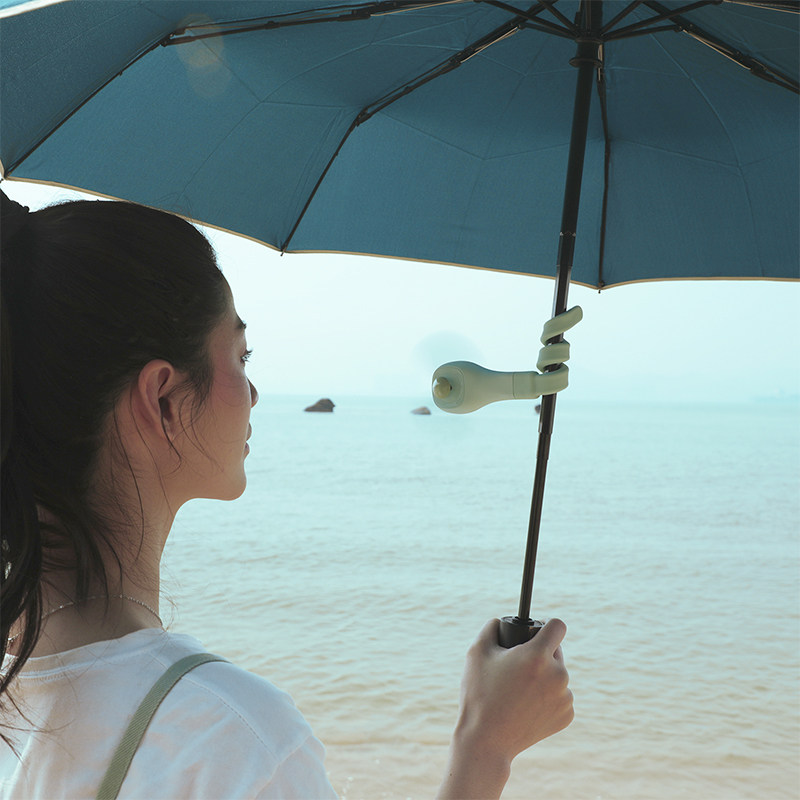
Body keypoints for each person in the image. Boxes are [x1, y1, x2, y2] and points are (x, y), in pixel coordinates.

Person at [0, 189, 574, 799]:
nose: (253, 394)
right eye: (241, 356)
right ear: (162, 399)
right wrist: (485, 747)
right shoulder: (230, 742)